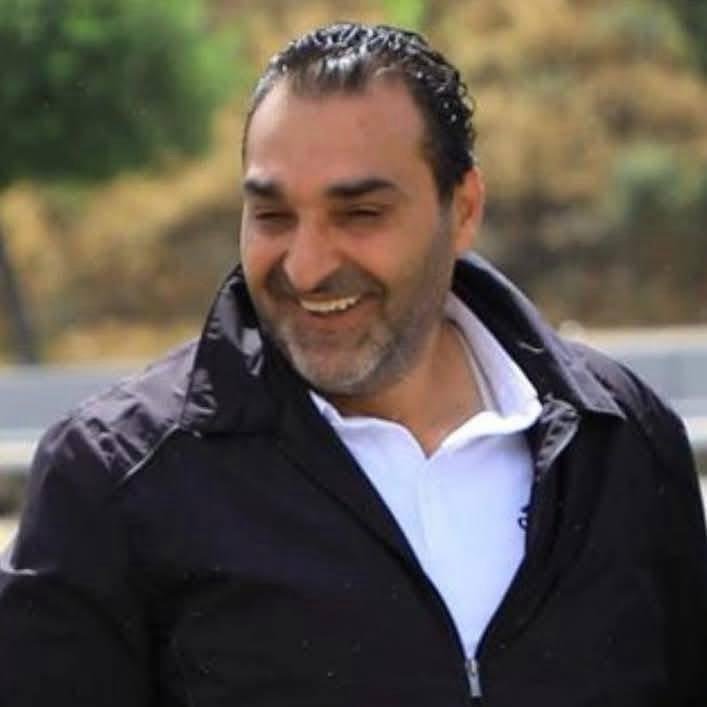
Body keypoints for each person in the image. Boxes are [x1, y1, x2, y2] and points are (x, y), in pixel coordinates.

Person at [1, 22, 706, 707]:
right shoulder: (114, 478)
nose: (306, 267)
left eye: (360, 214)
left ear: (462, 209)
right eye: (272, 216)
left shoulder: (625, 443)